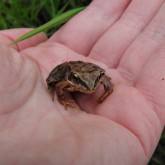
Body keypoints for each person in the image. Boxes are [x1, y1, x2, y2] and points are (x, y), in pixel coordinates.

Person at [0, 0, 165, 164]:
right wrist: (62, 97)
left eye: (97, 79)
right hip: (71, 70)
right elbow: (59, 86)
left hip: (87, 71)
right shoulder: (69, 81)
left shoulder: (96, 78)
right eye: (81, 83)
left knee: (95, 76)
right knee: (54, 80)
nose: (91, 88)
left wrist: (106, 88)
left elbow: (105, 80)